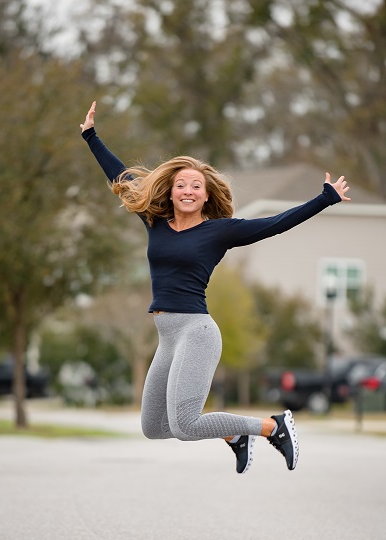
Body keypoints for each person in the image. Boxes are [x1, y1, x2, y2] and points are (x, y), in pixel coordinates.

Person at [80, 100, 351, 475]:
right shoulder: (154, 222)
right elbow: (122, 178)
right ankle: (234, 436)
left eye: (196, 186)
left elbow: (275, 223)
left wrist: (325, 198)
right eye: (181, 185)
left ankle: (274, 427)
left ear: (207, 195)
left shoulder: (219, 232)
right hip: (168, 337)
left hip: (197, 332)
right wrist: (91, 136)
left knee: (187, 424)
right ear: (170, 192)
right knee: (153, 428)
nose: (188, 191)